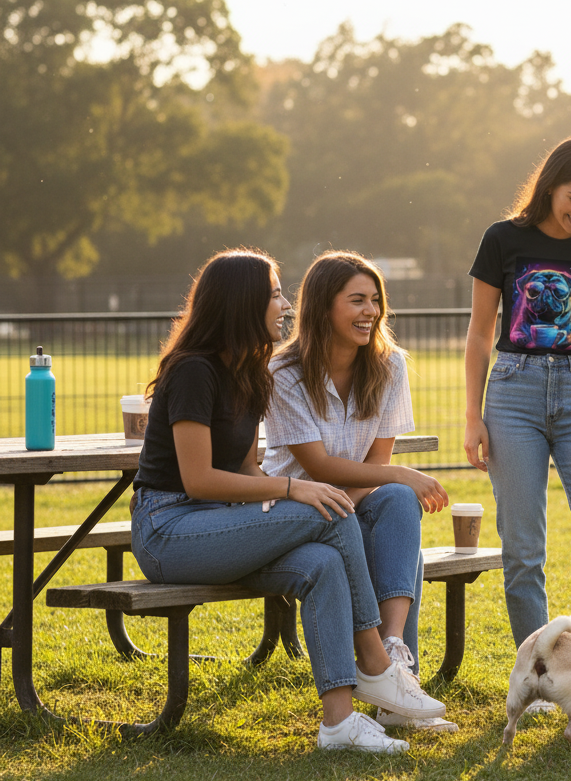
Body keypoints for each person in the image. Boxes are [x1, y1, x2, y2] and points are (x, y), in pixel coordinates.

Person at [130, 248, 446, 754]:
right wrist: (291, 489)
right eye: (274, 293)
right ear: (241, 303)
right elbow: (197, 480)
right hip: (168, 529)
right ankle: (377, 663)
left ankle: (339, 724)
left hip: (219, 524)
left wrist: (275, 507)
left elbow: (246, 468)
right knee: (328, 509)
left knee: (321, 559)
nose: (284, 303)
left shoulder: (250, 372)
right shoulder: (193, 370)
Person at [463, 135, 571, 709]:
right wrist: (473, 414)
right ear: (550, 185)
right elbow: (480, 334)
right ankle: (538, 677)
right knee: (522, 553)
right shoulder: (503, 238)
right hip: (512, 395)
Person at [263, 250, 456, 733]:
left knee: (396, 502)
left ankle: (389, 658)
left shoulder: (390, 367)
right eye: (356, 301)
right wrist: (402, 475)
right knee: (400, 508)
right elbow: (318, 467)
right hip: (299, 511)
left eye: (375, 300)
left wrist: (395, 479)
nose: (370, 311)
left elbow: (376, 467)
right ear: (323, 308)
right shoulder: (283, 374)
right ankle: (396, 682)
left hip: (353, 502)